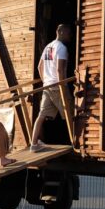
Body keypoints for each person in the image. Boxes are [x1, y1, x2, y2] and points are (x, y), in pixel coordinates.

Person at [30, 24, 72, 152]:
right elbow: (59, 70)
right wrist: (63, 87)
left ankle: (33, 144)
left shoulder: (49, 47)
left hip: (47, 86)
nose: (70, 36)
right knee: (70, 113)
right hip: (58, 86)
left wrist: (46, 81)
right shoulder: (62, 48)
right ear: (61, 32)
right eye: (68, 33)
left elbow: (40, 67)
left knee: (41, 115)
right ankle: (75, 142)